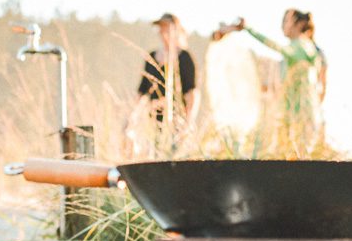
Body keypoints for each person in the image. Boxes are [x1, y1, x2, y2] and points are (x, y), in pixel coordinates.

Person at [213, 9, 325, 154]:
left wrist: (249, 29)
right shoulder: (302, 47)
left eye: (286, 21)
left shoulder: (302, 46)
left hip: (301, 113)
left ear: (299, 24)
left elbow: (275, 47)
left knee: (298, 151)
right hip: (295, 111)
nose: (282, 26)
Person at [125, 13, 201, 154]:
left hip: (177, 124)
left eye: (166, 27)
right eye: (160, 27)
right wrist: (132, 118)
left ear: (176, 29)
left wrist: (188, 122)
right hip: (154, 122)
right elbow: (142, 90)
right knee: (154, 153)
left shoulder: (184, 57)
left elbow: (192, 93)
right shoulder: (152, 57)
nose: (162, 31)